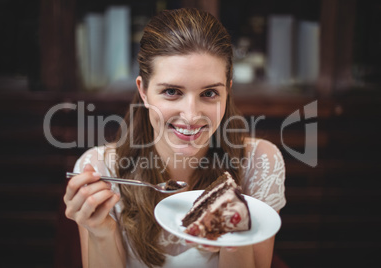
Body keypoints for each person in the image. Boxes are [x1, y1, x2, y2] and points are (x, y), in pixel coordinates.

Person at [64, 8, 286, 268]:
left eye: (209, 93)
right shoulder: (101, 169)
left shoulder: (260, 164)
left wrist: (233, 237)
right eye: (171, 91)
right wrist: (101, 232)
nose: (191, 115)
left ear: (228, 92)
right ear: (143, 91)